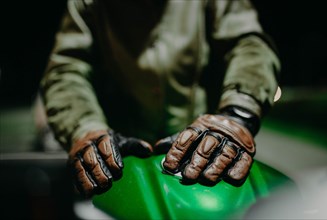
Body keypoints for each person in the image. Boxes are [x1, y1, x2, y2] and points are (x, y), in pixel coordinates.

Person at [39, 0, 281, 198]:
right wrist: (84, 128)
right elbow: (67, 69)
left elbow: (248, 44)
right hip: (116, 162)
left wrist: (237, 115)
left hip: (207, 151)